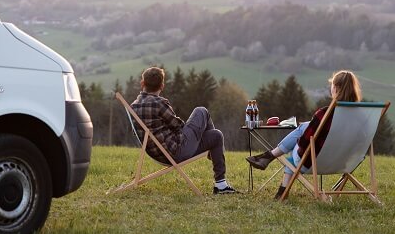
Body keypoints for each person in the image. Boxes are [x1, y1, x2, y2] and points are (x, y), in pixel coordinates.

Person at [246, 70, 362, 199]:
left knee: (301, 134)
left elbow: (304, 143)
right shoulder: (361, 117)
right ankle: (281, 192)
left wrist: (299, 141)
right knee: (306, 127)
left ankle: (269, 156)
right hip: (346, 163)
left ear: (336, 88)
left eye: (332, 85)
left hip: (316, 162)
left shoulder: (325, 114)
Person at [130, 67, 237, 195]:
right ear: (162, 86)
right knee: (201, 111)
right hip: (176, 152)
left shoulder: (134, 107)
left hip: (158, 154)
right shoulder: (159, 103)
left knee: (216, 136)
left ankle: (221, 184)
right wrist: (188, 128)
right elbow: (177, 125)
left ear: (142, 84)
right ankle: (213, 154)